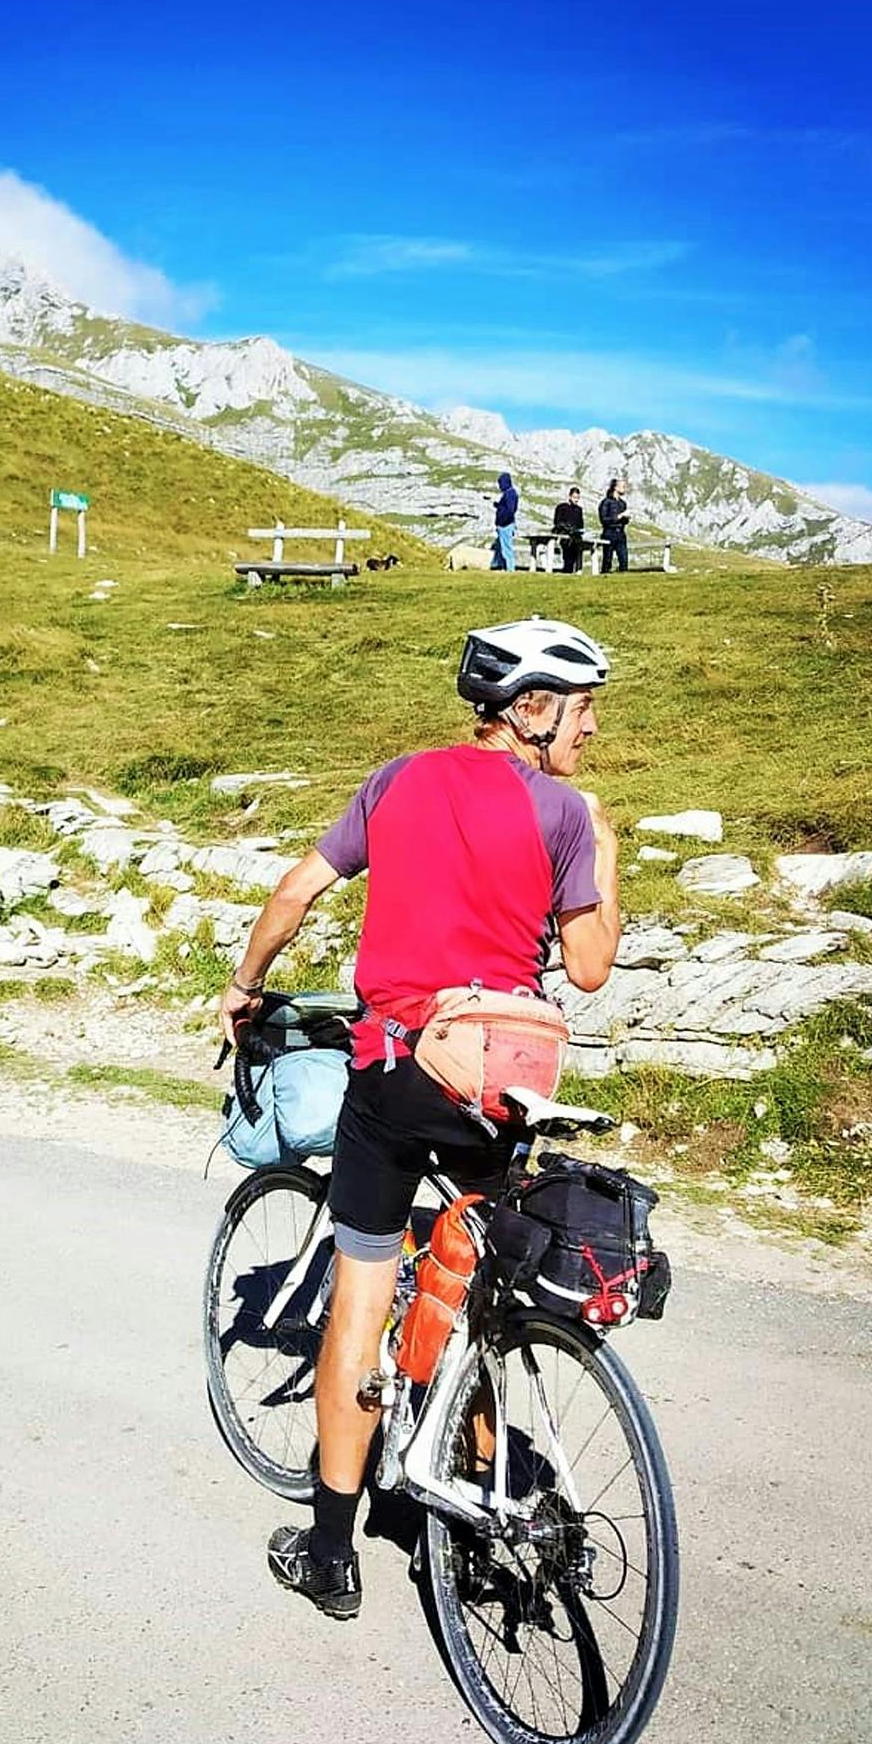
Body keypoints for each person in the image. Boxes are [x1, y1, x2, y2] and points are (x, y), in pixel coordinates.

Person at [216, 617, 621, 1618]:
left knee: (361, 1295)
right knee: (466, 1272)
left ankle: (329, 1552)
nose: (593, 725)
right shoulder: (564, 813)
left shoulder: (394, 780)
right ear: (532, 710)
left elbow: (297, 889)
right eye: (582, 707)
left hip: (396, 1071)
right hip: (501, 1075)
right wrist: (603, 844)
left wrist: (243, 982)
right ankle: (476, 1518)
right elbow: (588, 966)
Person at [551, 485, 586, 573]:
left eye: (578, 498)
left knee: (576, 551)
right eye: (574, 497)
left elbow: (581, 524)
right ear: (569, 496)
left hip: (576, 535)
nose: (576, 500)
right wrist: (566, 528)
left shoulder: (579, 510)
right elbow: (557, 521)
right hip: (564, 535)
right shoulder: (562, 507)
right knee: (567, 553)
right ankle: (567, 569)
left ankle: (573, 569)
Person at [598, 478, 630, 573]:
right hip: (609, 533)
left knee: (624, 559)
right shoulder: (606, 502)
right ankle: (605, 576)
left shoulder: (623, 503)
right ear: (615, 488)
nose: (625, 488)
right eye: (623, 486)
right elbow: (604, 520)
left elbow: (624, 522)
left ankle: (623, 578)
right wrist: (619, 516)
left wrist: (626, 518)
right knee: (607, 559)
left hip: (620, 533)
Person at [489, 473, 519, 571]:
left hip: (505, 525)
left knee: (506, 547)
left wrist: (503, 521)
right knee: (500, 546)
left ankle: (510, 568)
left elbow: (510, 510)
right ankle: (500, 565)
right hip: (503, 524)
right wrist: (498, 505)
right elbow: (507, 508)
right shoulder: (508, 493)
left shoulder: (510, 494)